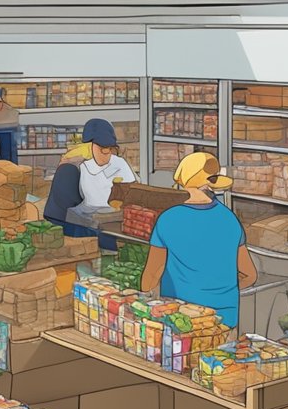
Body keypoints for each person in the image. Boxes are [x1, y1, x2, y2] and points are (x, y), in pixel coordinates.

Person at [140, 153, 256, 328]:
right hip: (224, 319)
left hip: (180, 317)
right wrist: (218, 291)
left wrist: (146, 302)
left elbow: (152, 274)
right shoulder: (230, 219)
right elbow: (250, 275)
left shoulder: (168, 219)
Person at [43, 119, 137, 251]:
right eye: (102, 148)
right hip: (84, 232)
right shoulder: (71, 169)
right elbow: (58, 219)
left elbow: (134, 194)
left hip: (115, 225)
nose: (106, 154)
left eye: (110, 149)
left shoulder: (119, 164)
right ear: (89, 145)